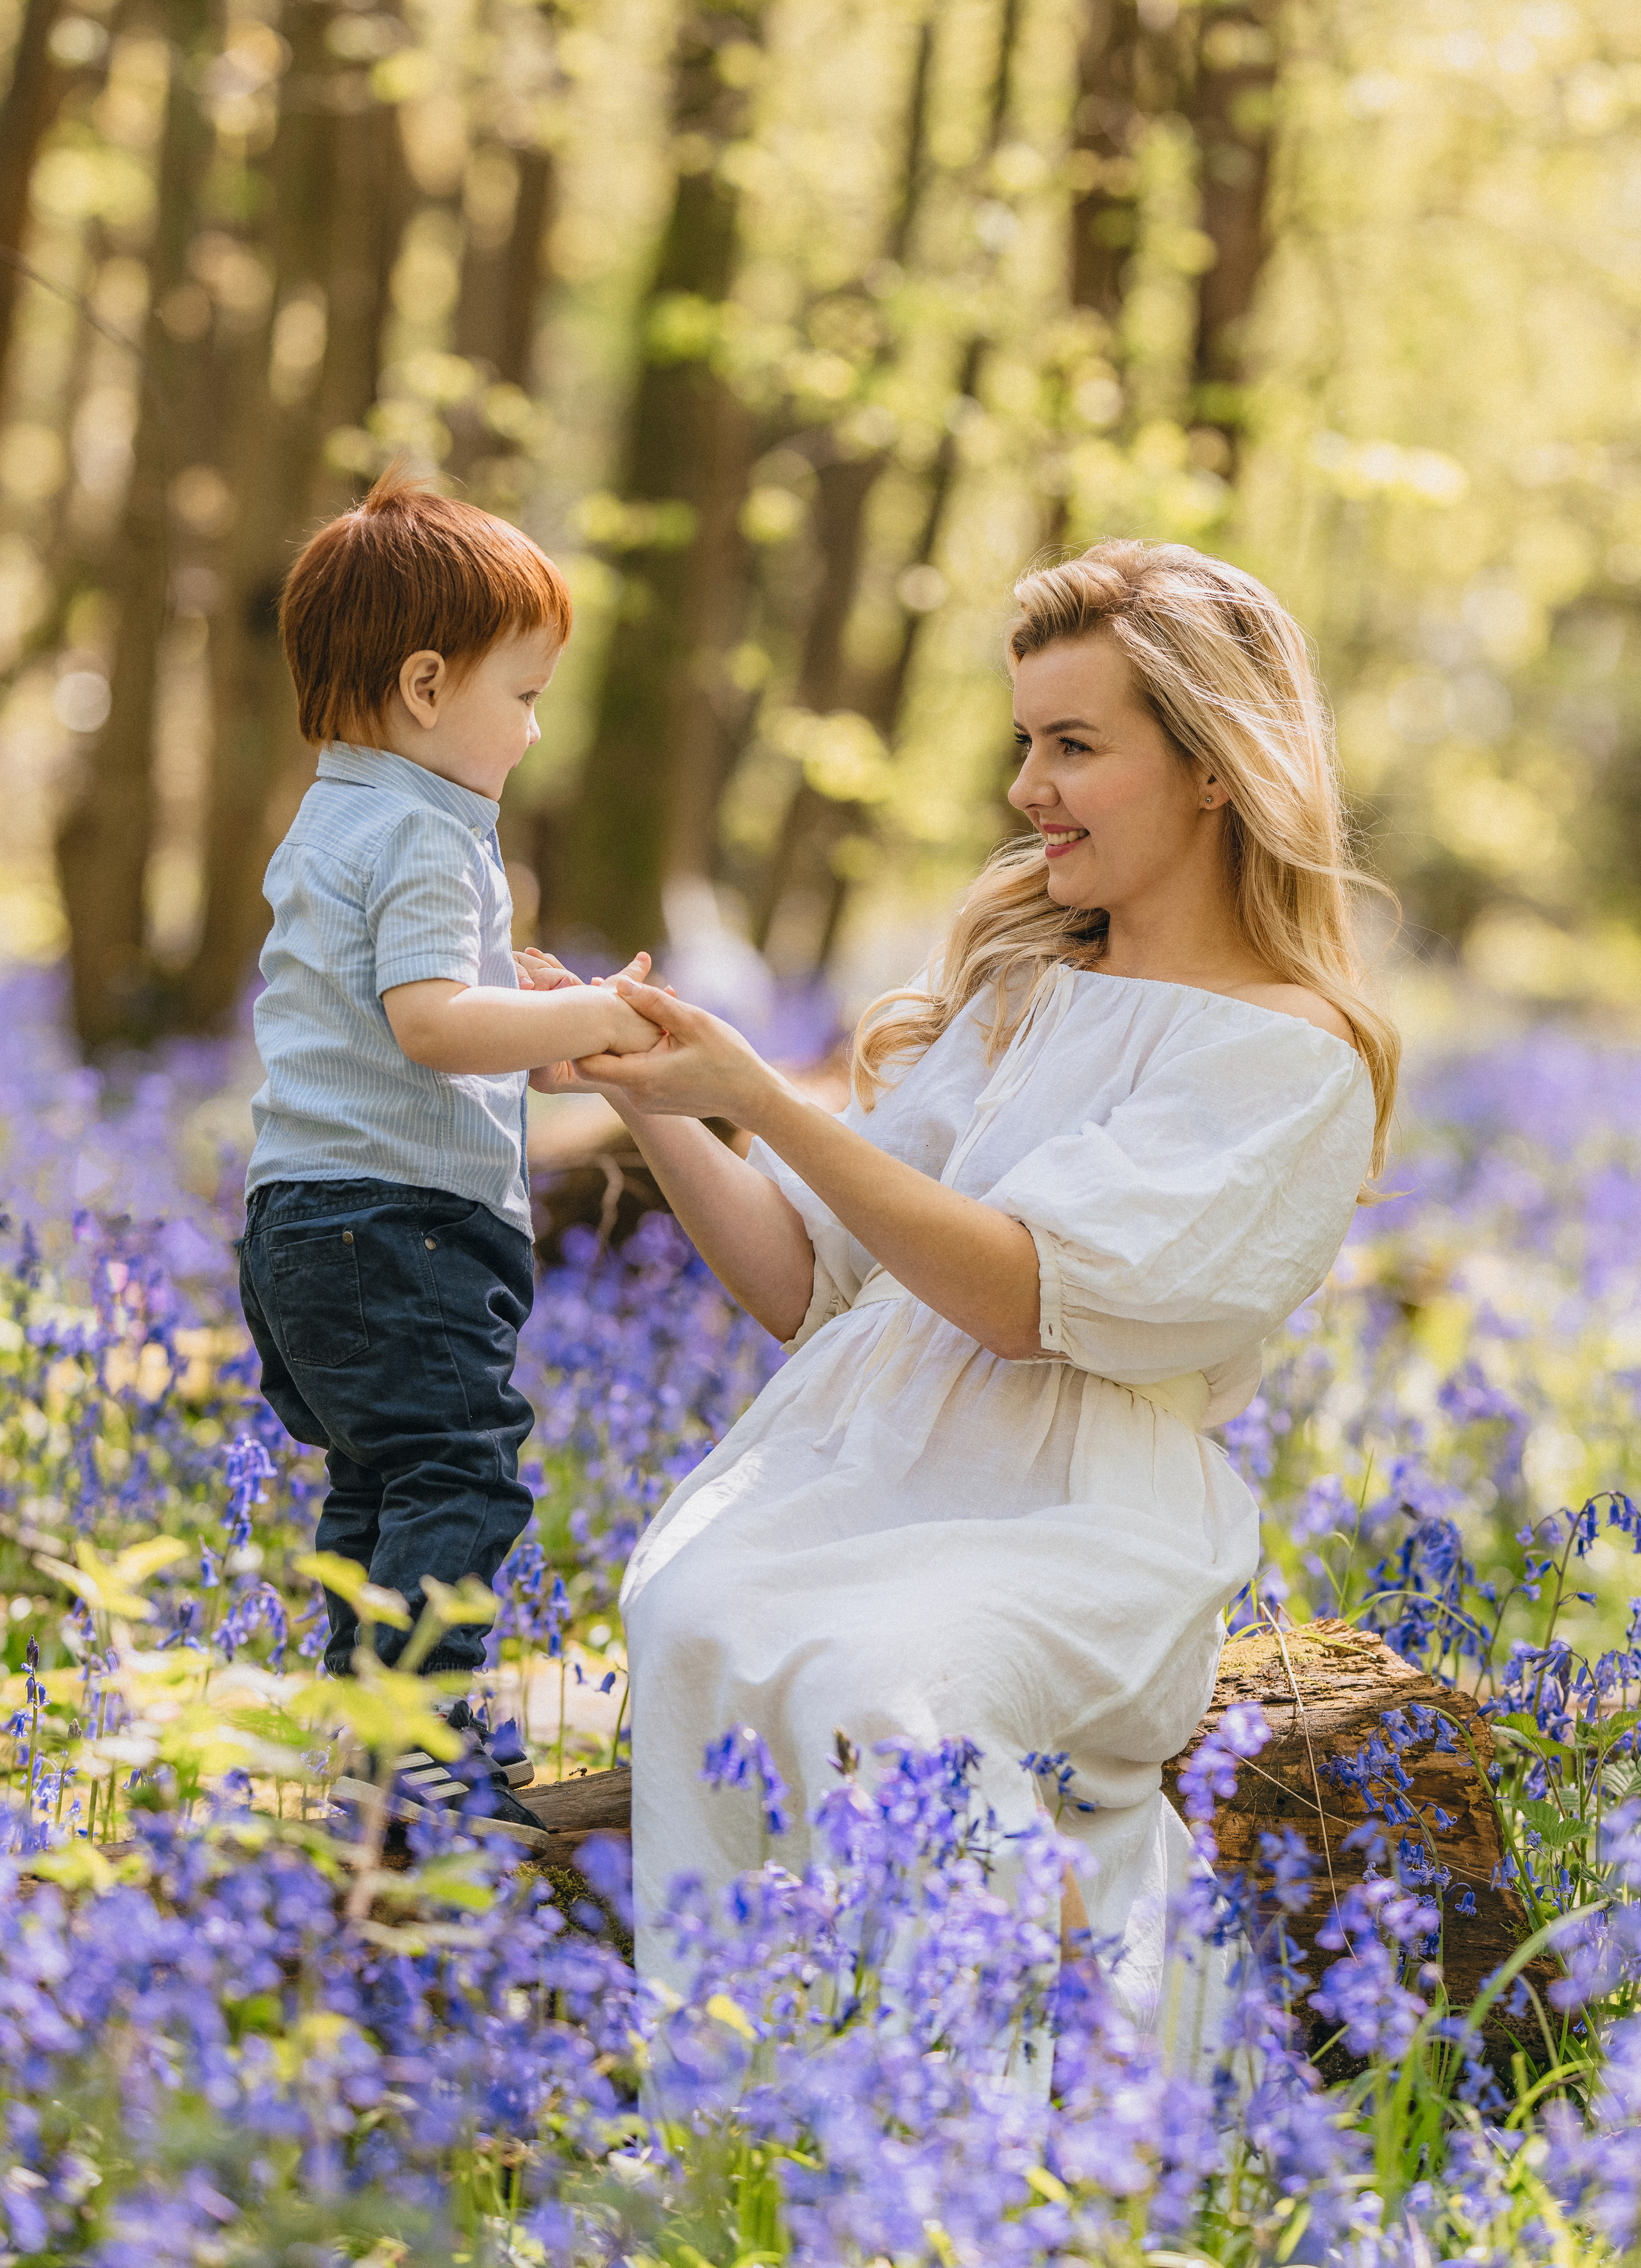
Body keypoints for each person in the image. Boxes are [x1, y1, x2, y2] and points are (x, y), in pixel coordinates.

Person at [547, 538, 1399, 2023]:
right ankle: (766, 2111)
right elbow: (804, 1281)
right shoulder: (1016, 998)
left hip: (1073, 1518)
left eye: (1074, 746)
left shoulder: (1289, 1058)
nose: (1026, 789)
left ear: (1213, 769)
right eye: (1025, 743)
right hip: (859, 1471)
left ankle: (1050, 2125)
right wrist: (653, 1094)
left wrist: (767, 1090)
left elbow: (1022, 1294)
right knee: (687, 1606)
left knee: (886, 1687)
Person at [237, 464, 660, 1826]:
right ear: (428, 686)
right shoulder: (426, 836)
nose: (532, 734)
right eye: (522, 697)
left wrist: (522, 1007)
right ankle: (418, 1750)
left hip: (301, 1223)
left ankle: (360, 1740)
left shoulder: (332, 818)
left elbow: (393, 1016)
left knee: (374, 1485)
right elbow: (427, 1027)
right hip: (401, 1226)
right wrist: (591, 1012)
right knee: (455, 1474)